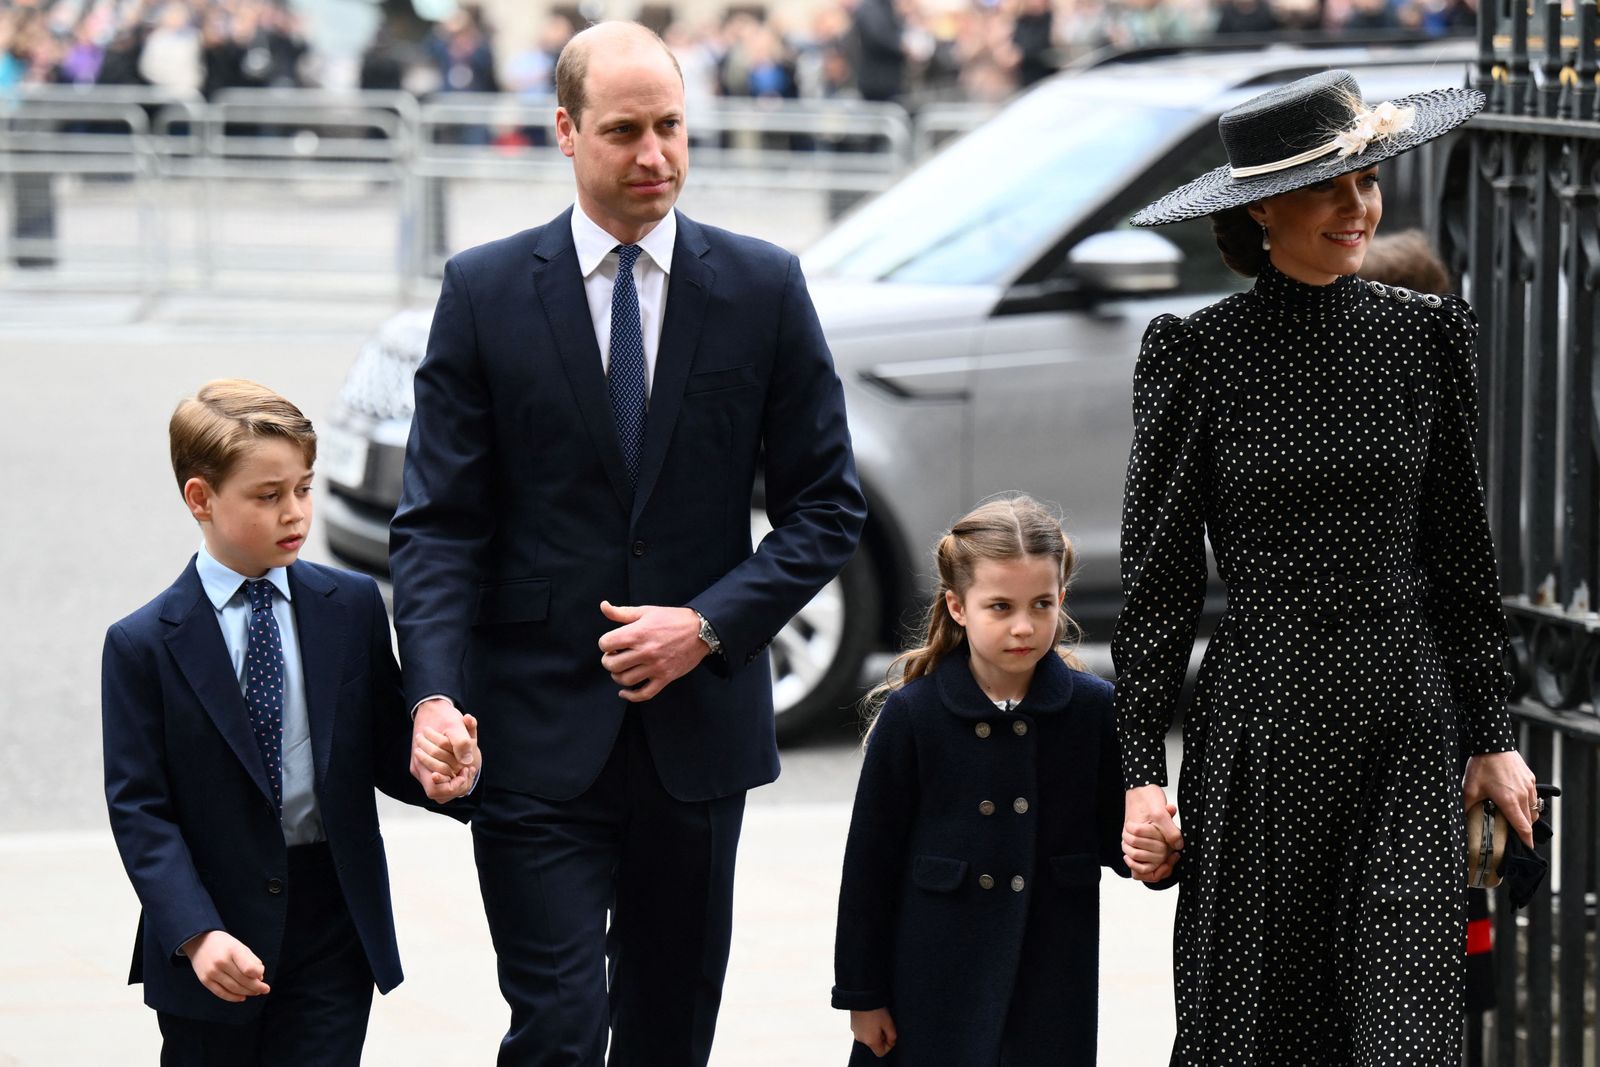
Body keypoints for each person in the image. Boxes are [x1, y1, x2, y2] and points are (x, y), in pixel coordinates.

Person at [388, 20, 866, 1067]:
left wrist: (707, 623)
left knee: (667, 1032)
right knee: (558, 1029)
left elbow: (827, 506)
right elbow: (437, 524)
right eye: (623, 131)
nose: (654, 156)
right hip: (529, 729)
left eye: (670, 128)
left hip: (697, 739)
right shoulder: (483, 291)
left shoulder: (762, 287)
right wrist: (430, 693)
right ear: (565, 130)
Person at [1117, 70, 1542, 1064]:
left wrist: (1491, 731)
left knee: (1406, 1028)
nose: (1359, 208)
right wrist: (1140, 772)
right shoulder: (1199, 353)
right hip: (1263, 725)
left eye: (1368, 180)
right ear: (1261, 204)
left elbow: (1459, 551)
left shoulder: (1423, 334)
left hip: (1405, 715)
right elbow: (1159, 579)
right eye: (1330, 187)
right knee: (1260, 1027)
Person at [100, 379, 476, 1067]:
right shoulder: (143, 643)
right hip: (213, 932)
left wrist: (438, 770)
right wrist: (195, 933)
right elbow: (140, 811)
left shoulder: (351, 604)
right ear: (200, 499)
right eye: (268, 495)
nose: (295, 511)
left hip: (333, 920)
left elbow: (382, 747)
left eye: (303, 487)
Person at [832, 496, 1174, 1065]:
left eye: (1041, 604)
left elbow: (1123, 837)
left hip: (1049, 980)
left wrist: (1155, 855)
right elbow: (869, 864)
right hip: (931, 980)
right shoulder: (914, 715)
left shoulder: (1092, 711)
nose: (1024, 625)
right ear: (958, 607)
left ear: (1061, 600)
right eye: (1000, 606)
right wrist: (862, 996)